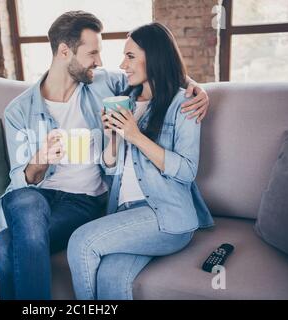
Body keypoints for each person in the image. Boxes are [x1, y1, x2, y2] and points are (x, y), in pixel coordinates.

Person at [0, 12, 210, 300]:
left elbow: (159, 70)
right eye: (92, 52)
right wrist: (39, 162)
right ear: (64, 51)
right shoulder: (18, 111)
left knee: (4, 248)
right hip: (40, 199)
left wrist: (197, 88)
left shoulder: (104, 84)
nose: (100, 61)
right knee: (21, 203)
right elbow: (22, 179)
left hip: (84, 203)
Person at [66, 22, 215, 300]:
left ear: (155, 56)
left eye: (131, 56)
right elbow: (109, 168)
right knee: (111, 276)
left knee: (81, 242)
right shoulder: (126, 101)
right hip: (125, 214)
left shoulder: (184, 104)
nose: (123, 64)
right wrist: (112, 136)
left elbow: (186, 171)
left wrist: (135, 136)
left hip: (166, 215)